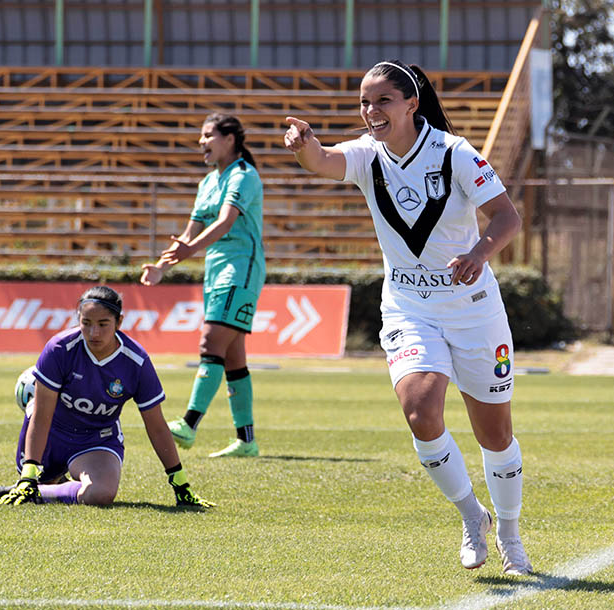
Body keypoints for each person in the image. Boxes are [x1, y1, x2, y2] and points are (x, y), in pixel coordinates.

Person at [283, 59, 532, 575]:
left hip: (474, 311)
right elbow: (324, 161)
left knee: (495, 434)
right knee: (420, 410)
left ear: (411, 103)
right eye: (364, 103)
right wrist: (304, 143)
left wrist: (479, 255)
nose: (372, 112)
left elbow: (508, 217)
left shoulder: (454, 152)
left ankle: (510, 532)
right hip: (409, 308)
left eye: (382, 101)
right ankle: (472, 518)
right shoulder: (366, 156)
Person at [0, 285, 213, 508]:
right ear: (78, 320)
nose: (94, 333)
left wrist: (180, 483)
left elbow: (157, 426)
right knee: (37, 478)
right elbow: (42, 415)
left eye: (103, 324)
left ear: (119, 322)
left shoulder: (136, 362)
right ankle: (38, 484)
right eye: (86, 323)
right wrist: (29, 472)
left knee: (100, 494)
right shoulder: (59, 349)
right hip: (52, 433)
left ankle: (41, 492)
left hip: (96, 438)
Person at [141, 113, 265, 459]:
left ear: (230, 139)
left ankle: (189, 424)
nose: (202, 142)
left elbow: (225, 223)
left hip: (241, 270)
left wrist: (188, 251)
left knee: (211, 341)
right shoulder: (208, 182)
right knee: (233, 358)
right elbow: (188, 234)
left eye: (208, 135)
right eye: (201, 136)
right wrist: (163, 266)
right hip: (216, 271)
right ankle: (246, 440)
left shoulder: (245, 176)